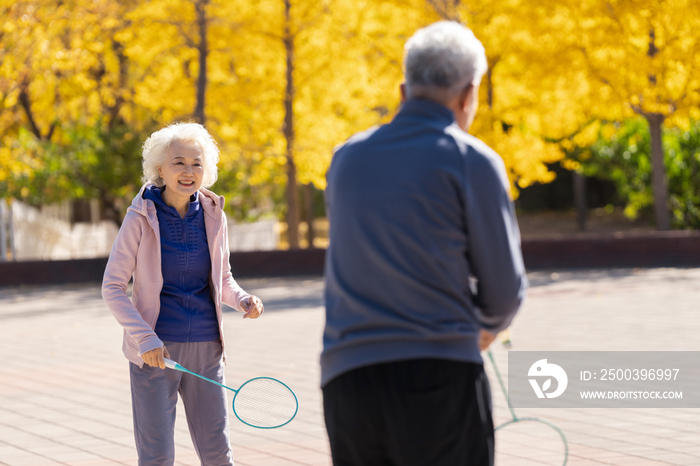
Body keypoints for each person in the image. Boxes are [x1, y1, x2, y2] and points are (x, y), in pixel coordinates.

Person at [321, 21, 528, 466]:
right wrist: (487, 323)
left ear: (403, 89)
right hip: (439, 375)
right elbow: (504, 292)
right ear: (468, 94)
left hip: (348, 381)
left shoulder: (345, 159)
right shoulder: (472, 159)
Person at [102, 122, 264, 466]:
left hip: (207, 349)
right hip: (155, 352)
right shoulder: (139, 216)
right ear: (160, 168)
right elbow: (112, 288)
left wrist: (242, 300)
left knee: (219, 455)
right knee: (157, 456)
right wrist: (144, 338)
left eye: (197, 163)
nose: (189, 171)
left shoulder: (213, 214)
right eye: (179, 162)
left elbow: (222, 277)